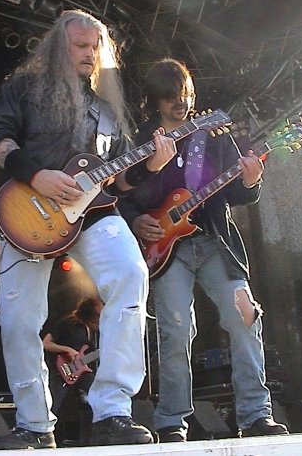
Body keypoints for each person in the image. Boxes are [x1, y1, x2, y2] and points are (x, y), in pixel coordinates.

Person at [0, 10, 176, 449]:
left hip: (94, 213)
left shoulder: (106, 111)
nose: (90, 54)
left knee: (131, 274)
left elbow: (119, 183)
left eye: (95, 48)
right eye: (81, 45)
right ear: (59, 46)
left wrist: (152, 166)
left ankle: (113, 411)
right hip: (30, 210)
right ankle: (35, 425)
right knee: (18, 319)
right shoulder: (24, 88)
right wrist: (37, 175)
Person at [118, 58, 289, 442]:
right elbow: (121, 192)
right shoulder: (141, 140)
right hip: (165, 250)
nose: (179, 102)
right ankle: (171, 422)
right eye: (170, 96)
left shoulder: (212, 133)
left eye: (185, 94)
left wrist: (251, 181)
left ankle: (256, 415)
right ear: (156, 99)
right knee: (176, 330)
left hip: (215, 241)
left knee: (245, 316)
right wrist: (135, 220)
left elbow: (238, 193)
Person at [42, 296, 103, 446]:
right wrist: (67, 349)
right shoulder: (66, 323)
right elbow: (46, 343)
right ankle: (44, 435)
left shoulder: (88, 329)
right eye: (97, 314)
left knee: (95, 396)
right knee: (53, 405)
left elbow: (87, 354)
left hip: (80, 370)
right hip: (61, 369)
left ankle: (91, 439)